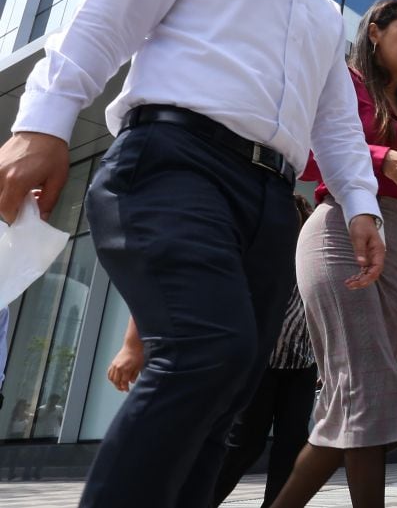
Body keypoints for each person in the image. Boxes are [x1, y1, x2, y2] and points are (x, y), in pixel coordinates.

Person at [0, 0, 385, 507]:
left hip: (271, 203)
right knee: (211, 349)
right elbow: (105, 16)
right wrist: (41, 124)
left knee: (230, 390)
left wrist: (361, 204)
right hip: (172, 163)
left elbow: (337, 124)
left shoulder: (328, 15)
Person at [270, 0, 397, 508]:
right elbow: (309, 155)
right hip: (337, 234)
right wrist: (379, 156)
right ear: (374, 32)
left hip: (393, 251)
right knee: (365, 386)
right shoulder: (347, 85)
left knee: (349, 400)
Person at [106, 195, 320, 507]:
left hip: (301, 365)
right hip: (259, 363)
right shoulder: (252, 254)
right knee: (244, 444)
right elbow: (166, 279)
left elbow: (321, 313)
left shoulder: (308, 260)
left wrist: (326, 361)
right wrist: (132, 345)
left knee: (292, 446)